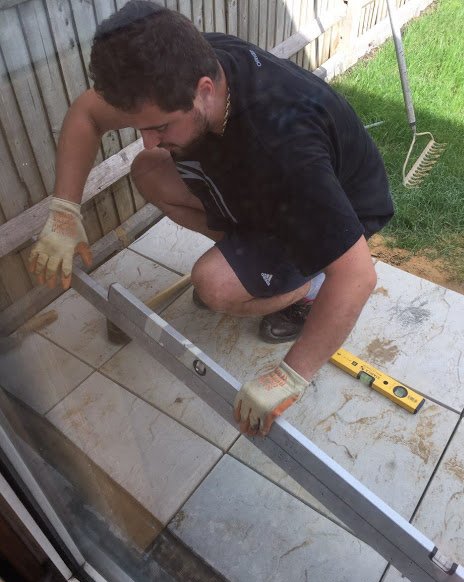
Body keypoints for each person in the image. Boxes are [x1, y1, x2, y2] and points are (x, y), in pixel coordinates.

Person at [28, 0, 394, 437]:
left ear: (204, 90)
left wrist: (290, 377)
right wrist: (64, 210)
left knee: (214, 285)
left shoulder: (285, 150)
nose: (149, 140)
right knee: (148, 171)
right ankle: (254, 261)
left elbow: (358, 277)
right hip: (264, 190)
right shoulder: (179, 69)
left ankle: (306, 284)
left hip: (325, 208)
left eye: (160, 127)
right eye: (142, 127)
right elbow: (87, 113)